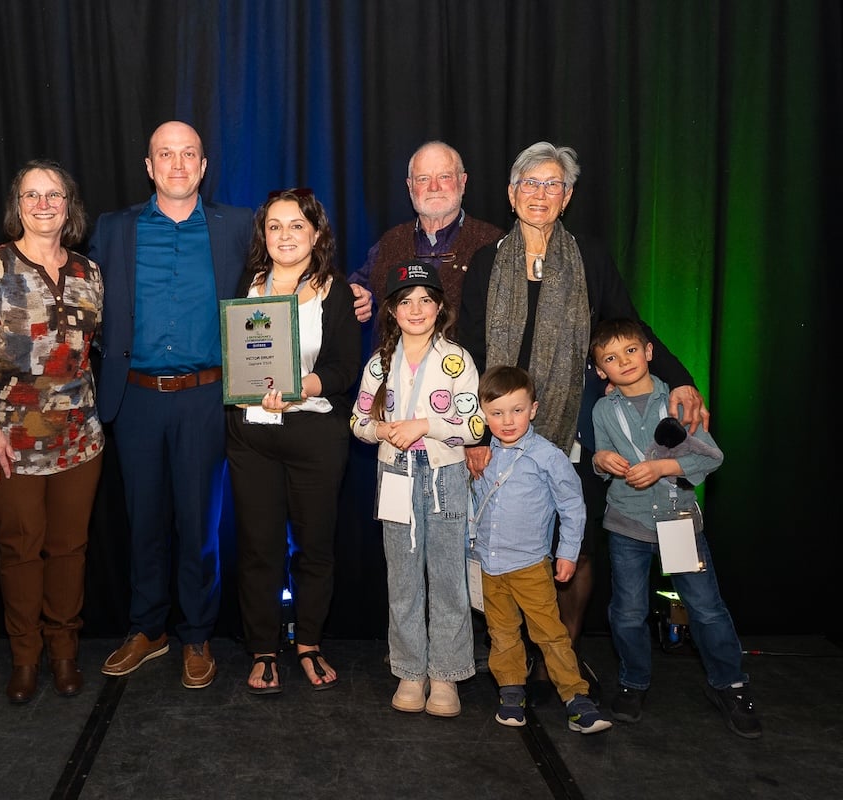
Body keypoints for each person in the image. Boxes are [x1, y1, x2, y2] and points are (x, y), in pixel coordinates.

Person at [89, 121, 372, 690]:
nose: (176, 163)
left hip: (206, 397)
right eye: (164, 154)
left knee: (199, 525)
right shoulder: (113, 229)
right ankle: (147, 629)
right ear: (148, 165)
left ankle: (196, 635)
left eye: (188, 153)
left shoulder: (236, 225)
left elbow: (303, 272)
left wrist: (359, 290)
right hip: (137, 396)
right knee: (143, 521)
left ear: (203, 165)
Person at [457, 141, 710, 701]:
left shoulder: (589, 256)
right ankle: (512, 656)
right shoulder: (485, 261)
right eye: (530, 183)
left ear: (567, 197)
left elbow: (628, 323)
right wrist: (474, 431)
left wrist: (683, 376)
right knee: (506, 542)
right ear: (510, 193)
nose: (540, 194)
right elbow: (470, 348)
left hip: (573, 425)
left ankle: (561, 651)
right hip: (498, 425)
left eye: (553, 185)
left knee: (578, 542)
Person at [0, 159, 104, 704]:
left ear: (69, 205)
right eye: (31, 195)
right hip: (7, 441)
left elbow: (86, 355)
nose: (43, 204)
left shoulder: (89, 272)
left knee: (70, 548)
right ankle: (25, 658)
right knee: (21, 549)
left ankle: (64, 653)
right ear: (16, 205)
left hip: (79, 438)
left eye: (54, 195)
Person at [589, 318, 759, 739]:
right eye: (610, 358)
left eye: (631, 351)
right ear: (600, 371)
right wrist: (600, 461)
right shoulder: (603, 409)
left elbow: (711, 458)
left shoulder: (679, 402)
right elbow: (601, 454)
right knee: (627, 612)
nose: (623, 361)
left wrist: (662, 467)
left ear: (648, 352)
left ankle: (731, 685)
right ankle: (633, 682)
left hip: (678, 523)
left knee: (706, 607)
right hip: (627, 525)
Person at [227, 189, 361, 695]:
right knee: (258, 549)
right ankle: (263, 648)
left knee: (315, 549)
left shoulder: (338, 291)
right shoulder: (246, 287)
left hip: (315, 434)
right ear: (263, 235)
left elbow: (346, 369)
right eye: (275, 226)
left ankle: (308, 642)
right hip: (251, 436)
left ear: (317, 234)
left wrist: (299, 385)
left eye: (297, 225)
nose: (286, 235)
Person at [351, 260, 483, 715]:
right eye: (405, 301)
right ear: (390, 310)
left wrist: (426, 424)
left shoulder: (457, 359)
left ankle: (446, 676)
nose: (416, 308)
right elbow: (358, 421)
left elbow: (476, 425)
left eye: (426, 299)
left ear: (440, 306)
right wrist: (382, 431)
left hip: (445, 475)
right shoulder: (378, 365)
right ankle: (410, 670)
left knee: (448, 578)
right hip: (395, 476)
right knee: (403, 578)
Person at [471, 365, 612, 734]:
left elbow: (572, 506)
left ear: (533, 409)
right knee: (501, 634)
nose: (507, 420)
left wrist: (567, 553)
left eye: (517, 410)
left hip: (531, 565)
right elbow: (470, 505)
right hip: (488, 565)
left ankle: (576, 698)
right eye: (497, 413)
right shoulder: (480, 456)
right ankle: (511, 690)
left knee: (550, 633)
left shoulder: (548, 456)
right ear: (483, 414)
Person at [347, 140, 504, 318]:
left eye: (444, 176)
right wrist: (357, 297)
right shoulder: (390, 242)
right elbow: (353, 291)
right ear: (410, 186)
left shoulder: (492, 243)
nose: (434, 187)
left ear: (463, 182)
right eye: (423, 179)